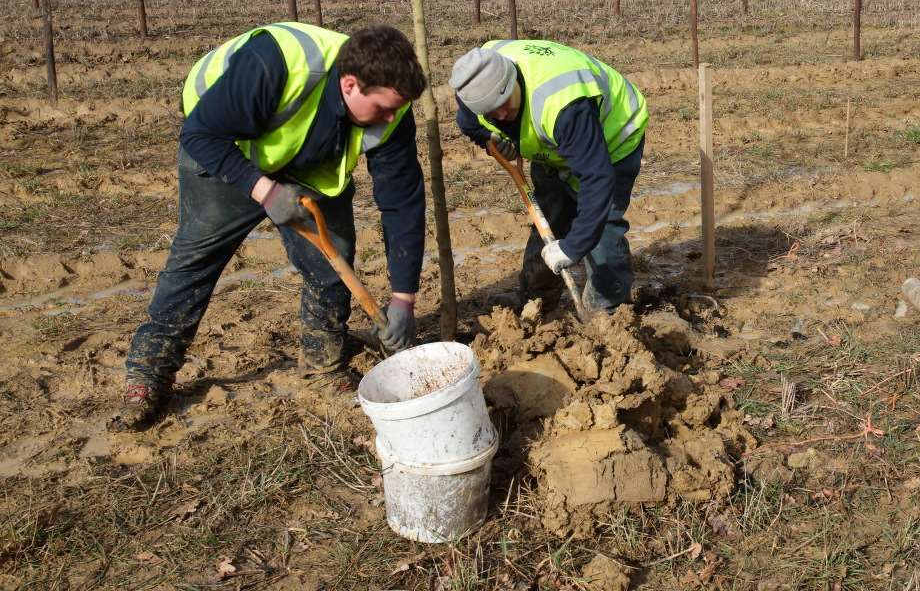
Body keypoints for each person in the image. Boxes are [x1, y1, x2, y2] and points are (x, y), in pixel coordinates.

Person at [115, 22, 427, 431]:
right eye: (383, 108)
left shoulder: (393, 107)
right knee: (196, 259)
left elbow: (401, 201)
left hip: (309, 164)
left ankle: (323, 367)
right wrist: (264, 191)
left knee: (331, 261)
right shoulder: (273, 64)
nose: (390, 116)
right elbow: (199, 133)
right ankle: (148, 375)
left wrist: (403, 297)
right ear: (350, 85)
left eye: (396, 108)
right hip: (224, 150)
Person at [449, 39, 647, 314]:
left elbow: (596, 179)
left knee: (603, 229)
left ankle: (608, 313)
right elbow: (469, 123)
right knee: (549, 218)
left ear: (512, 78)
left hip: (612, 140)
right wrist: (492, 139)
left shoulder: (562, 103)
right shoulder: (473, 86)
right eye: (492, 111)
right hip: (553, 148)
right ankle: (537, 301)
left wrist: (573, 247)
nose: (502, 113)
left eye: (506, 102)